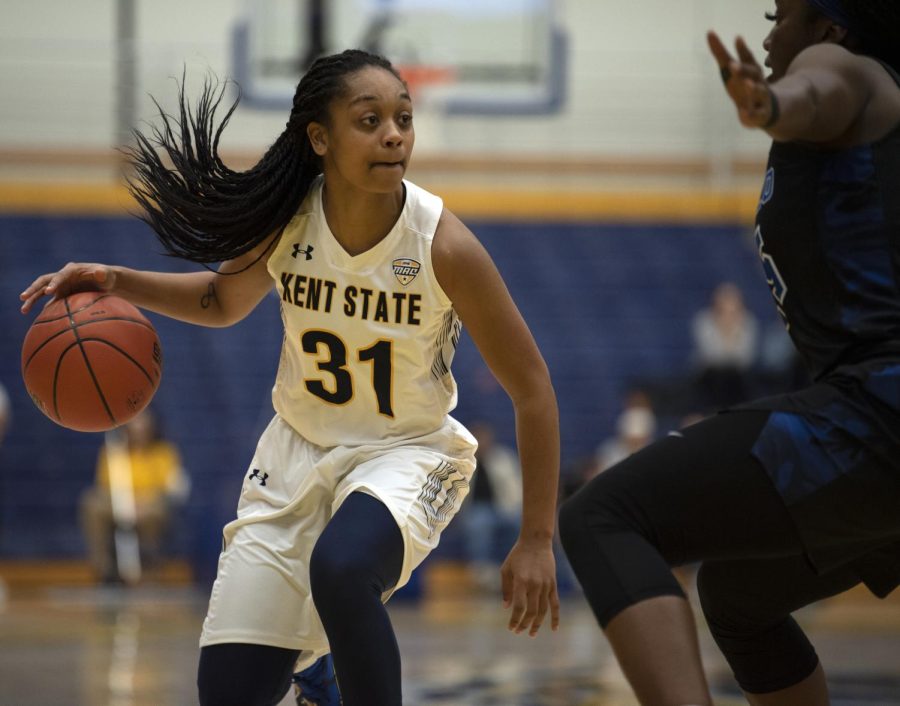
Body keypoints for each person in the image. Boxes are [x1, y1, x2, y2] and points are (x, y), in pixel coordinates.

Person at [20, 49, 560, 706]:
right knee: (230, 693)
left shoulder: (442, 245)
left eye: (403, 118)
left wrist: (536, 538)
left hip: (406, 454)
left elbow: (532, 388)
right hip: (294, 459)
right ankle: (322, 676)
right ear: (320, 138)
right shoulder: (288, 223)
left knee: (342, 569)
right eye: (370, 120)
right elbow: (220, 301)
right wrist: (118, 281)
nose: (394, 134)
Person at [559, 3, 900, 705]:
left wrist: (770, 103)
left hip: (878, 413)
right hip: (874, 417)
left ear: (831, 26)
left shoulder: (844, 67)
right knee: (741, 595)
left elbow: (819, 90)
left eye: (783, 15)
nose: (771, 32)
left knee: (601, 514)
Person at [80, 407, 189, 584]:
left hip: (150, 505)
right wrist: (125, 504)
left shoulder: (164, 452)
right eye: (135, 422)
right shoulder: (113, 452)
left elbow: (171, 488)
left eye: (142, 421)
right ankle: (104, 569)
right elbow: (104, 486)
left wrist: (142, 503)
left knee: (158, 510)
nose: (138, 427)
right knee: (92, 502)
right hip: (118, 503)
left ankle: (150, 565)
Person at [458, 420, 523, 591]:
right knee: (480, 523)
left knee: (518, 522)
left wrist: (513, 508)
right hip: (476, 509)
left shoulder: (503, 458)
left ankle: (515, 567)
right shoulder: (462, 460)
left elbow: (515, 488)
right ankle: (482, 572)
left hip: (503, 508)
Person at [690, 281, 760, 410]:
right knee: (716, 378)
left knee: (737, 380)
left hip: (738, 378)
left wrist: (732, 331)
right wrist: (725, 332)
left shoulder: (748, 321)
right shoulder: (704, 321)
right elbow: (710, 355)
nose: (728, 312)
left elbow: (745, 358)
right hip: (710, 378)